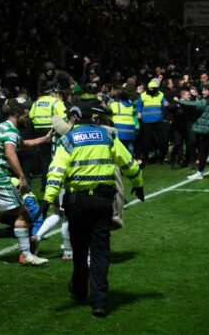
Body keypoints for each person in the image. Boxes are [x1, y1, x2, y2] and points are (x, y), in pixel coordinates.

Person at [42, 104, 144, 317]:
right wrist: (138, 183)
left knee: (79, 251)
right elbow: (128, 162)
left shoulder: (68, 140)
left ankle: (79, 290)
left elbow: (57, 170)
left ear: (75, 118)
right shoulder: (106, 136)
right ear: (95, 118)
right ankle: (99, 301)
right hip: (102, 201)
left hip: (77, 202)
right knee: (100, 251)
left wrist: (48, 198)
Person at [0, 100, 52, 265]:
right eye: (26, 116)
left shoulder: (3, 126)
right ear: (17, 115)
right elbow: (10, 153)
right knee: (23, 213)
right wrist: (21, 176)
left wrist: (44, 139)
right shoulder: (11, 132)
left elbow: (24, 144)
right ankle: (26, 255)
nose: (28, 120)